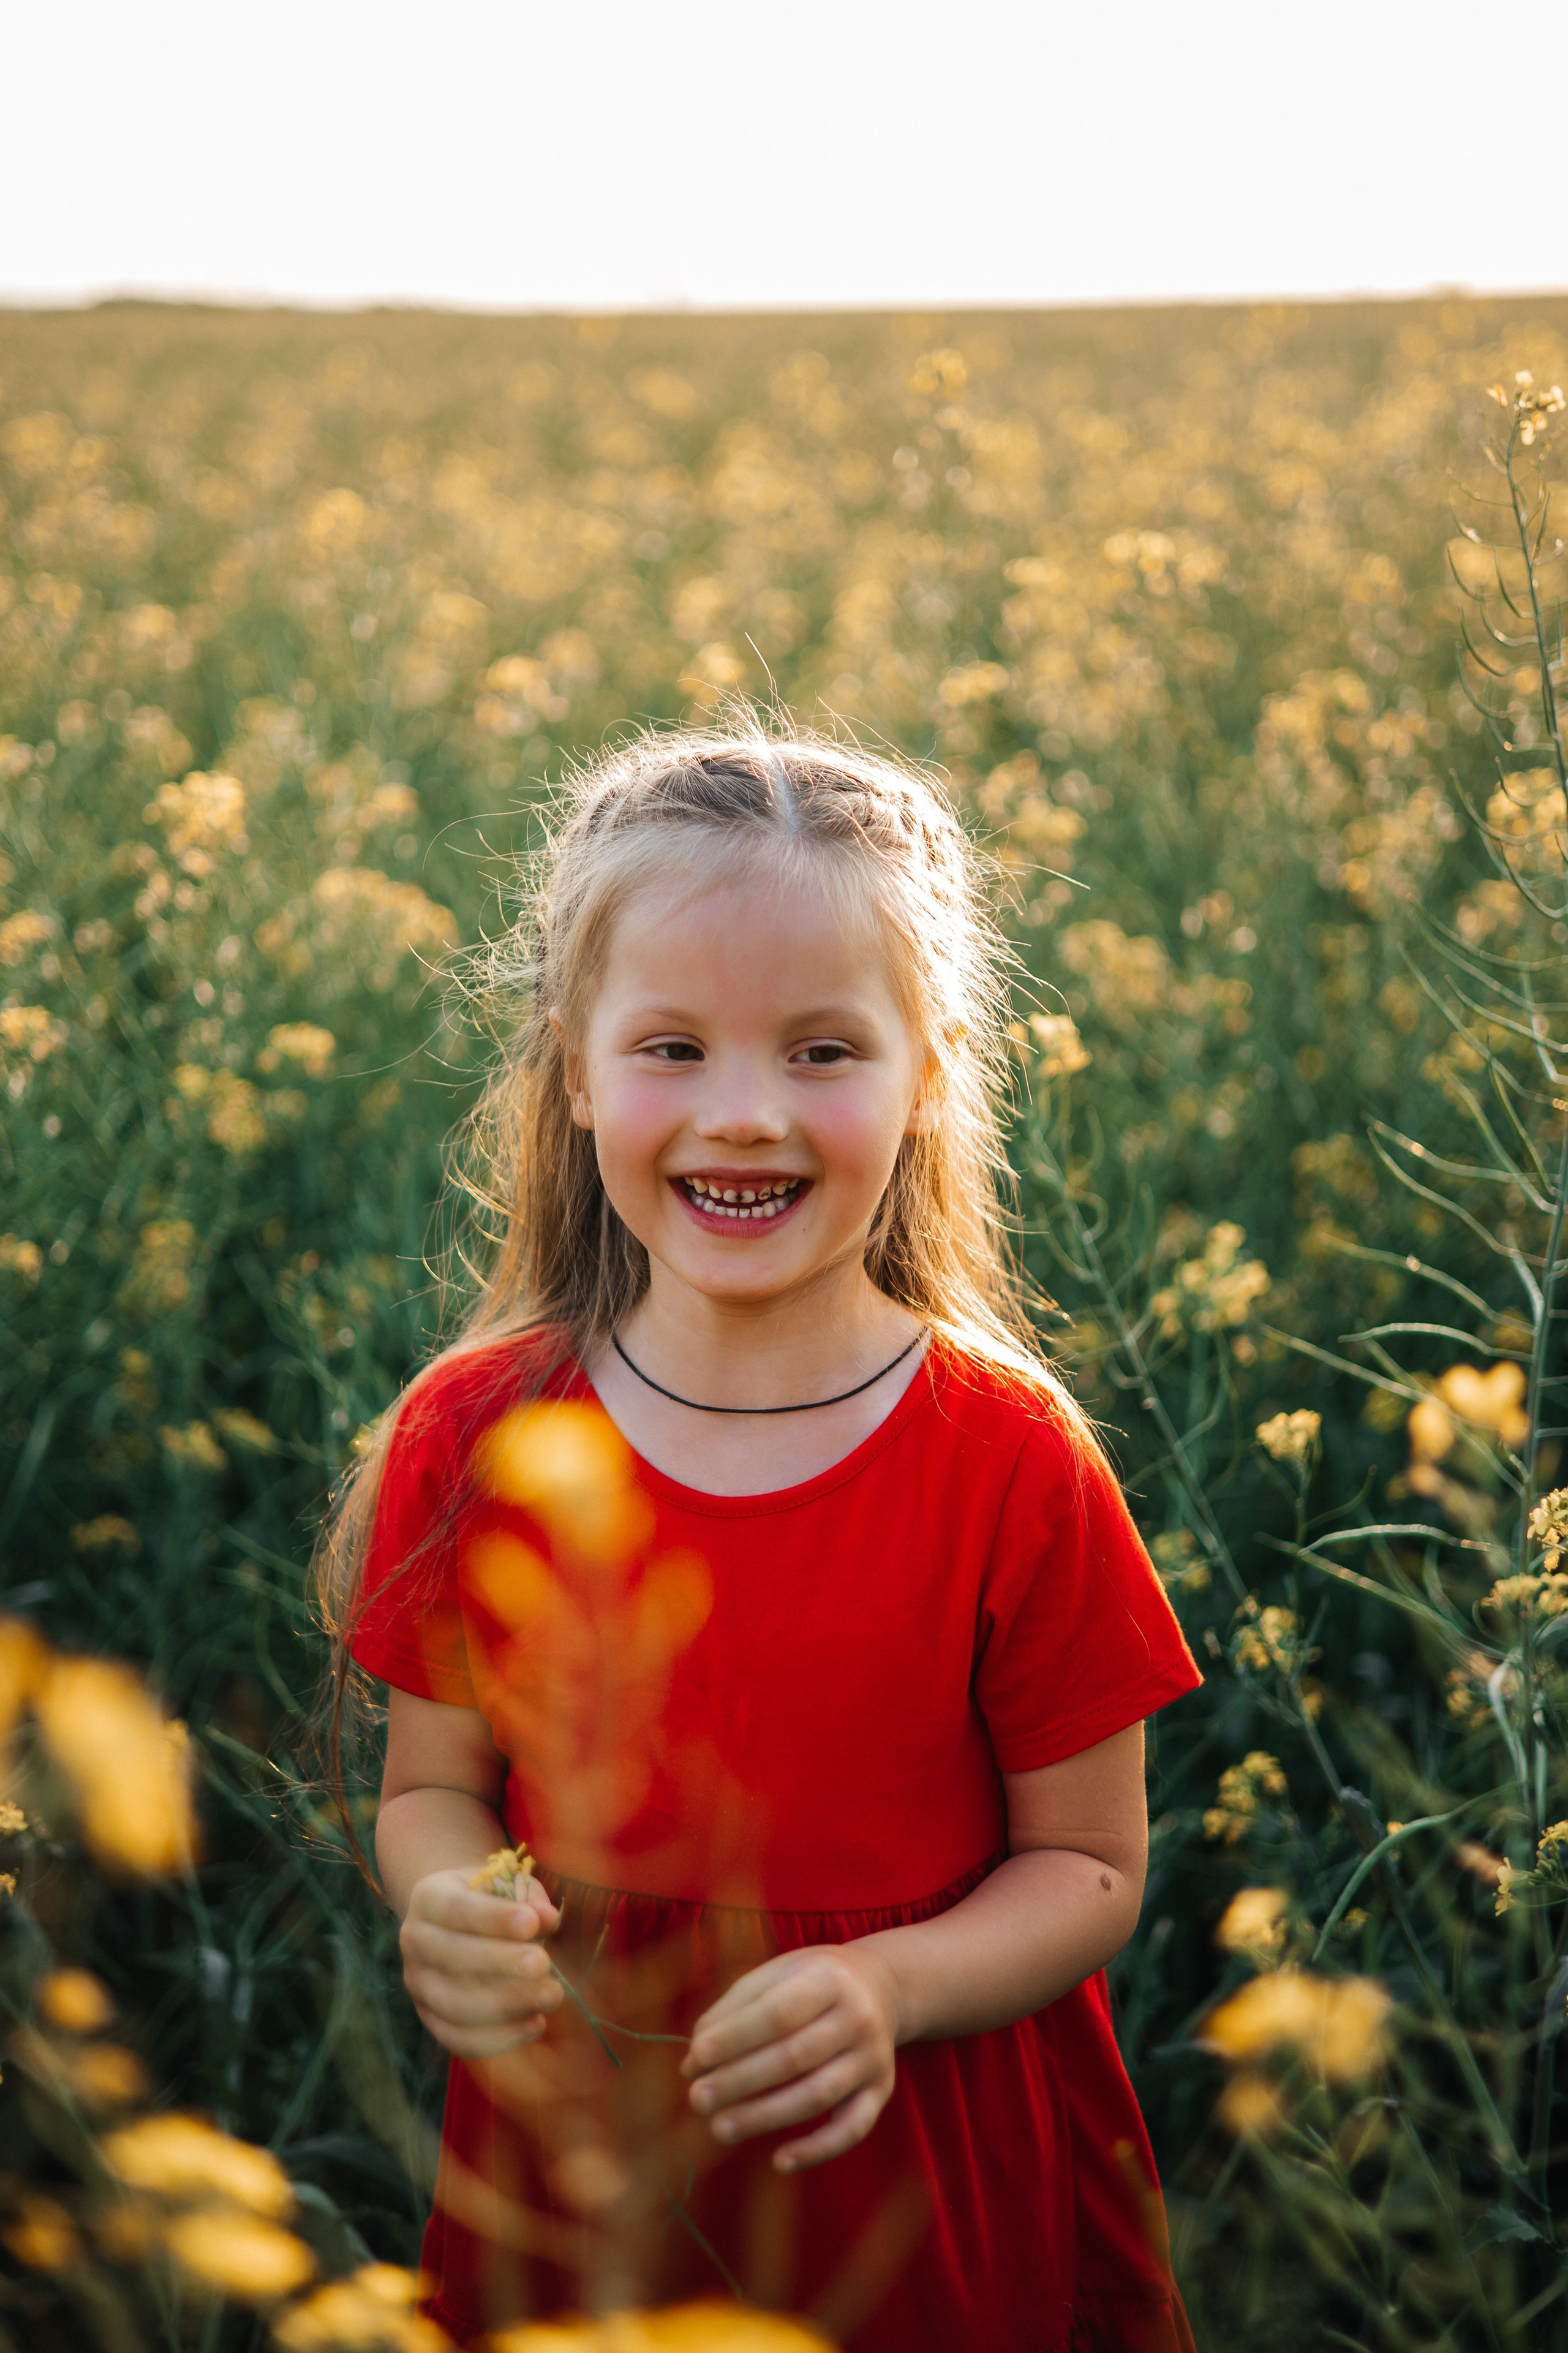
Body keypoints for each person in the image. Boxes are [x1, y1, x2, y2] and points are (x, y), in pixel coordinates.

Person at [320, 728, 1201, 2351]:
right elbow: (432, 1796)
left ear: (928, 1074)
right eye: (671, 1047)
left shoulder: (1011, 1457)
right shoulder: (474, 1432)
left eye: (821, 1051)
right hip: (581, 2186)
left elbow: (1089, 1866)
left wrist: (889, 1987)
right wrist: (445, 1907)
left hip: (915, 2188)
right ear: (574, 1071)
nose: (742, 1115)